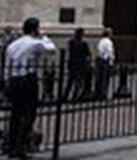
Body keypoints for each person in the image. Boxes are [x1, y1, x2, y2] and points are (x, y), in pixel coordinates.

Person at [5, 17, 55, 160]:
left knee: (15, 114)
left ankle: (12, 146)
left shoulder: (13, 45)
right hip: (28, 79)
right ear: (35, 30)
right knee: (29, 113)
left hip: (14, 79)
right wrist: (44, 36)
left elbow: (7, 65)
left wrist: (7, 81)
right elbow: (51, 49)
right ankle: (21, 146)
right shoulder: (35, 43)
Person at [63, 28, 92, 102]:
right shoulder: (83, 43)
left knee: (70, 82)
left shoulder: (71, 42)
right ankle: (74, 97)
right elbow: (88, 54)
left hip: (72, 64)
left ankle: (65, 97)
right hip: (80, 65)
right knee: (78, 82)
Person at [94, 28, 115, 100]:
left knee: (99, 78)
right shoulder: (108, 42)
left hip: (99, 60)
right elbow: (110, 52)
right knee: (105, 78)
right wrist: (111, 62)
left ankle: (98, 93)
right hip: (105, 61)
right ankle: (103, 94)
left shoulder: (101, 41)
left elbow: (99, 51)